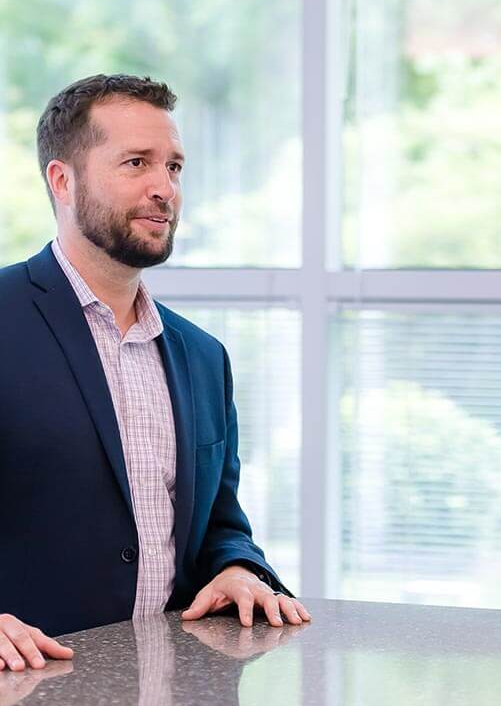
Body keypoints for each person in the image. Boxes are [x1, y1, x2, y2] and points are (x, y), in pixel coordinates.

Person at [0, 74, 310, 671]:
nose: (163, 188)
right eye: (136, 163)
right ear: (62, 181)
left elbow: (221, 524)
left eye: (174, 167)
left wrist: (237, 568)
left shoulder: (202, 356)